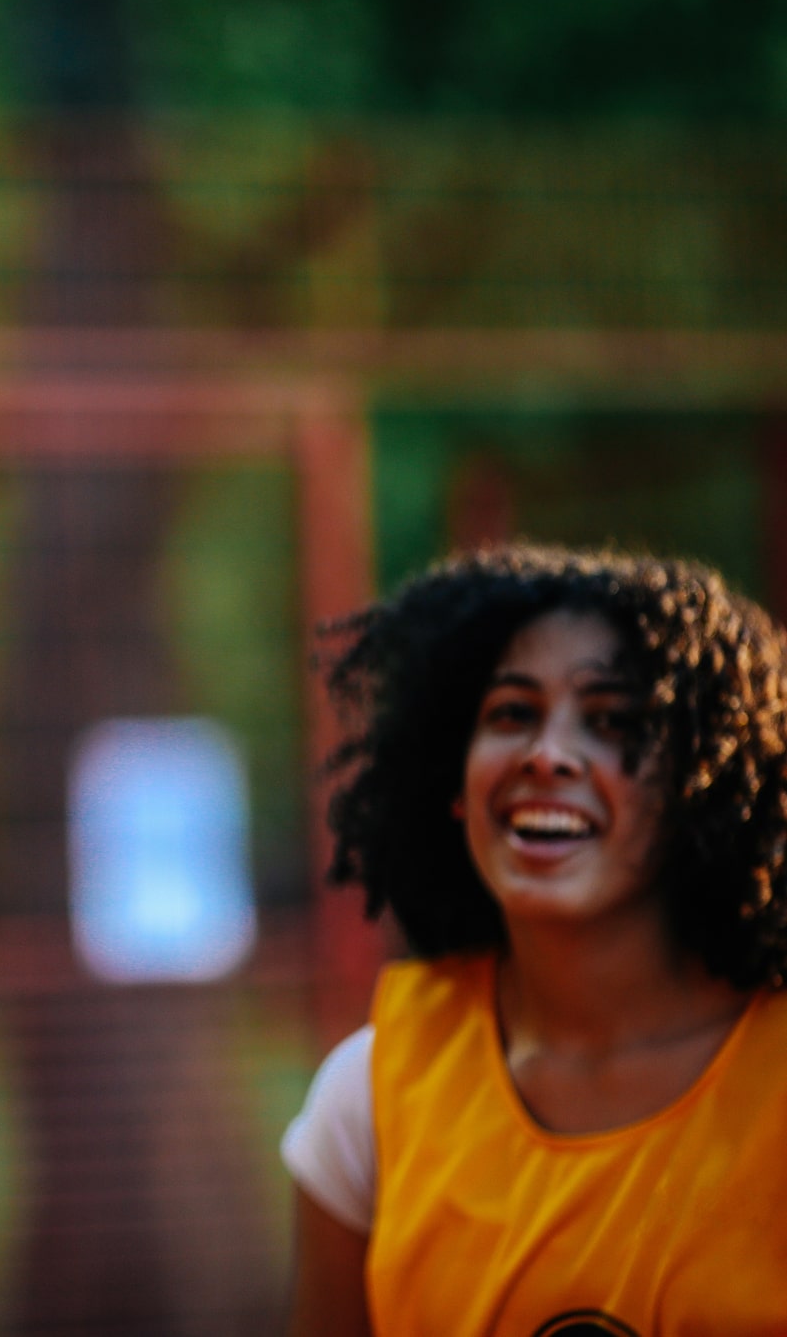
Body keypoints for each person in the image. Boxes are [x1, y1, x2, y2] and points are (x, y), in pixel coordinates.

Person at [282, 544, 787, 1336]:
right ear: (452, 783)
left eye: (613, 720)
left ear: (703, 779)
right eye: (511, 713)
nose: (547, 755)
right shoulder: (367, 1100)